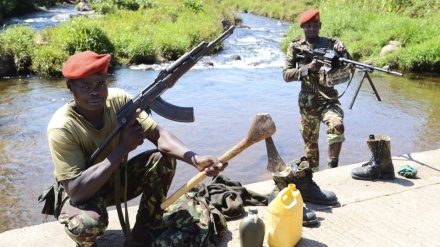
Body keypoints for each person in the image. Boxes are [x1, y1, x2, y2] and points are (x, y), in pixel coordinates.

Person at [47, 50, 227, 247]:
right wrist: (124, 147)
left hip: (115, 178)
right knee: (88, 226)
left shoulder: (119, 102)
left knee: (162, 159)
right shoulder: (61, 127)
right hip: (82, 189)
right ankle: (87, 243)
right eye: (85, 86)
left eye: (100, 84)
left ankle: (142, 232)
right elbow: (76, 191)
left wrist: (195, 159)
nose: (95, 92)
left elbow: (159, 135)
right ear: (70, 87)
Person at [282, 9, 350, 171]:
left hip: (329, 99)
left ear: (320, 26)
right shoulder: (295, 47)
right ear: (303, 27)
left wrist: (343, 52)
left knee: (337, 125)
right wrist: (308, 68)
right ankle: (313, 178)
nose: (312, 29)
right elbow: (286, 75)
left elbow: (349, 64)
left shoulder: (330, 43)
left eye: (315, 25)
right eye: (308, 26)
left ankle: (332, 167)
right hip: (307, 102)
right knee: (311, 147)